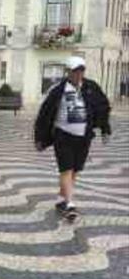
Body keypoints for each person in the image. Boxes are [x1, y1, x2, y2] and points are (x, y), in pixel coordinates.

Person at [34, 56, 111, 221]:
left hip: (84, 136)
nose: (79, 74)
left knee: (75, 169)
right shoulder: (57, 90)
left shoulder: (91, 87)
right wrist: (40, 138)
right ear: (68, 72)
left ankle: (62, 199)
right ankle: (69, 203)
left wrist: (105, 128)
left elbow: (103, 107)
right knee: (66, 169)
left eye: (81, 70)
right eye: (75, 70)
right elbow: (44, 114)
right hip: (63, 135)